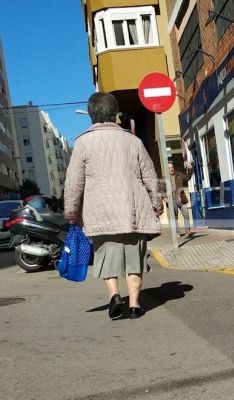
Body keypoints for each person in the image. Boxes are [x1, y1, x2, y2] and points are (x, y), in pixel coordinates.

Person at [64, 92, 163, 320]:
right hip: (133, 211)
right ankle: (136, 305)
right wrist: (156, 204)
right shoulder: (133, 141)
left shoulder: (82, 143)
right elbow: (149, 176)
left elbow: (73, 183)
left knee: (107, 258)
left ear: (91, 115)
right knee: (134, 260)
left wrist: (71, 212)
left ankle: (115, 296)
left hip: (100, 214)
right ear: (115, 113)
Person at [165, 161, 193, 236]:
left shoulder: (179, 175)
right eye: (169, 168)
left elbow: (187, 177)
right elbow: (161, 190)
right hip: (172, 200)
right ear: (167, 169)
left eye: (172, 167)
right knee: (175, 217)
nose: (171, 169)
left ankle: (187, 230)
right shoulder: (165, 179)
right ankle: (177, 232)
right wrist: (166, 200)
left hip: (181, 199)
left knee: (186, 213)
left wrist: (190, 169)